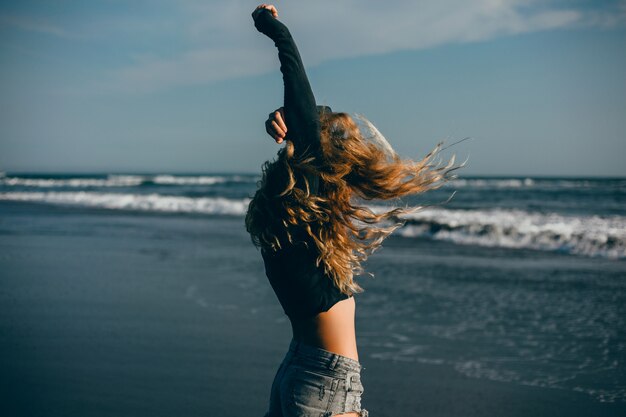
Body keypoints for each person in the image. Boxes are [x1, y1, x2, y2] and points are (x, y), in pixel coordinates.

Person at [247, 4, 460, 416]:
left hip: (298, 369)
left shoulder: (288, 219)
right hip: (327, 382)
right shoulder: (311, 212)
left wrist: (287, 116)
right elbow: (309, 115)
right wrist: (274, 28)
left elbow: (311, 120)